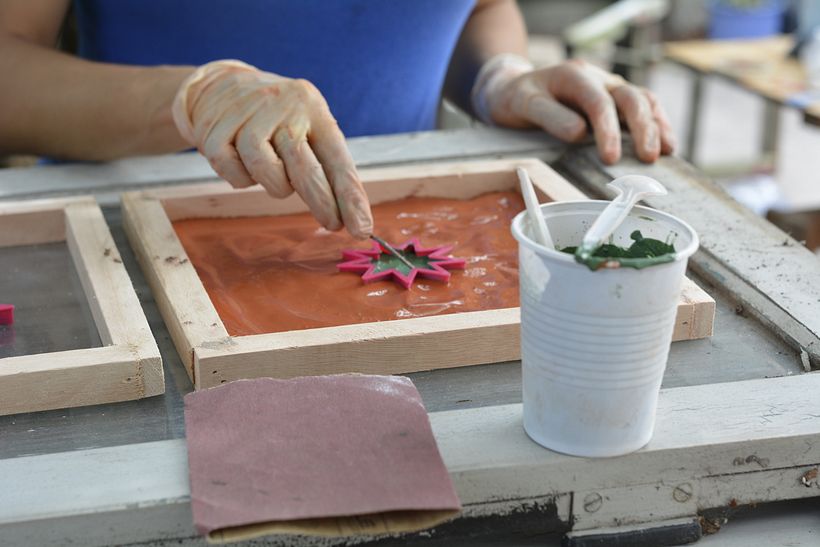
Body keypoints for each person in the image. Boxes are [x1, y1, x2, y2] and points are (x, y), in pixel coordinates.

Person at [0, 1, 675, 240]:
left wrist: (500, 76)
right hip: (139, 242)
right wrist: (189, 98)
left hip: (399, 222)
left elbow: (477, 9)